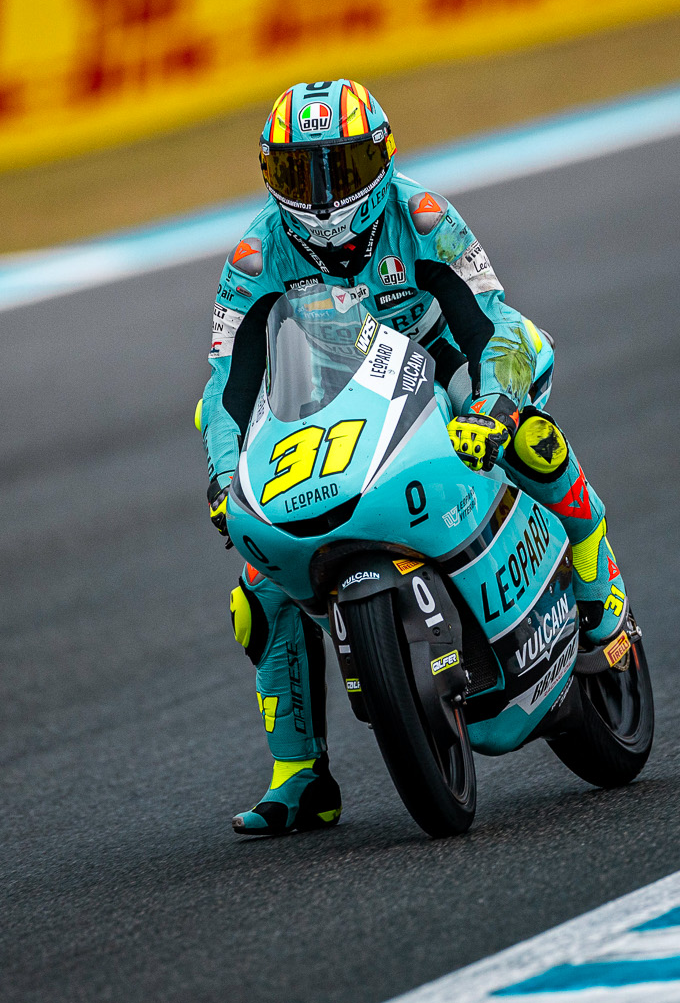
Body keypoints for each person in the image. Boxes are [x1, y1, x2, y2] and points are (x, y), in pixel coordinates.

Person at [199, 79, 633, 836]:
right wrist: (223, 473)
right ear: (270, 174)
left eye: (342, 167)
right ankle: (300, 776)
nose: (325, 196)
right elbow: (228, 385)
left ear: (384, 158)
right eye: (303, 173)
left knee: (530, 439)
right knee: (258, 586)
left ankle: (603, 604)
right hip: (336, 409)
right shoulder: (256, 255)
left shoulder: (422, 215)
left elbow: (490, 322)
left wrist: (494, 404)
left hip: (445, 368)